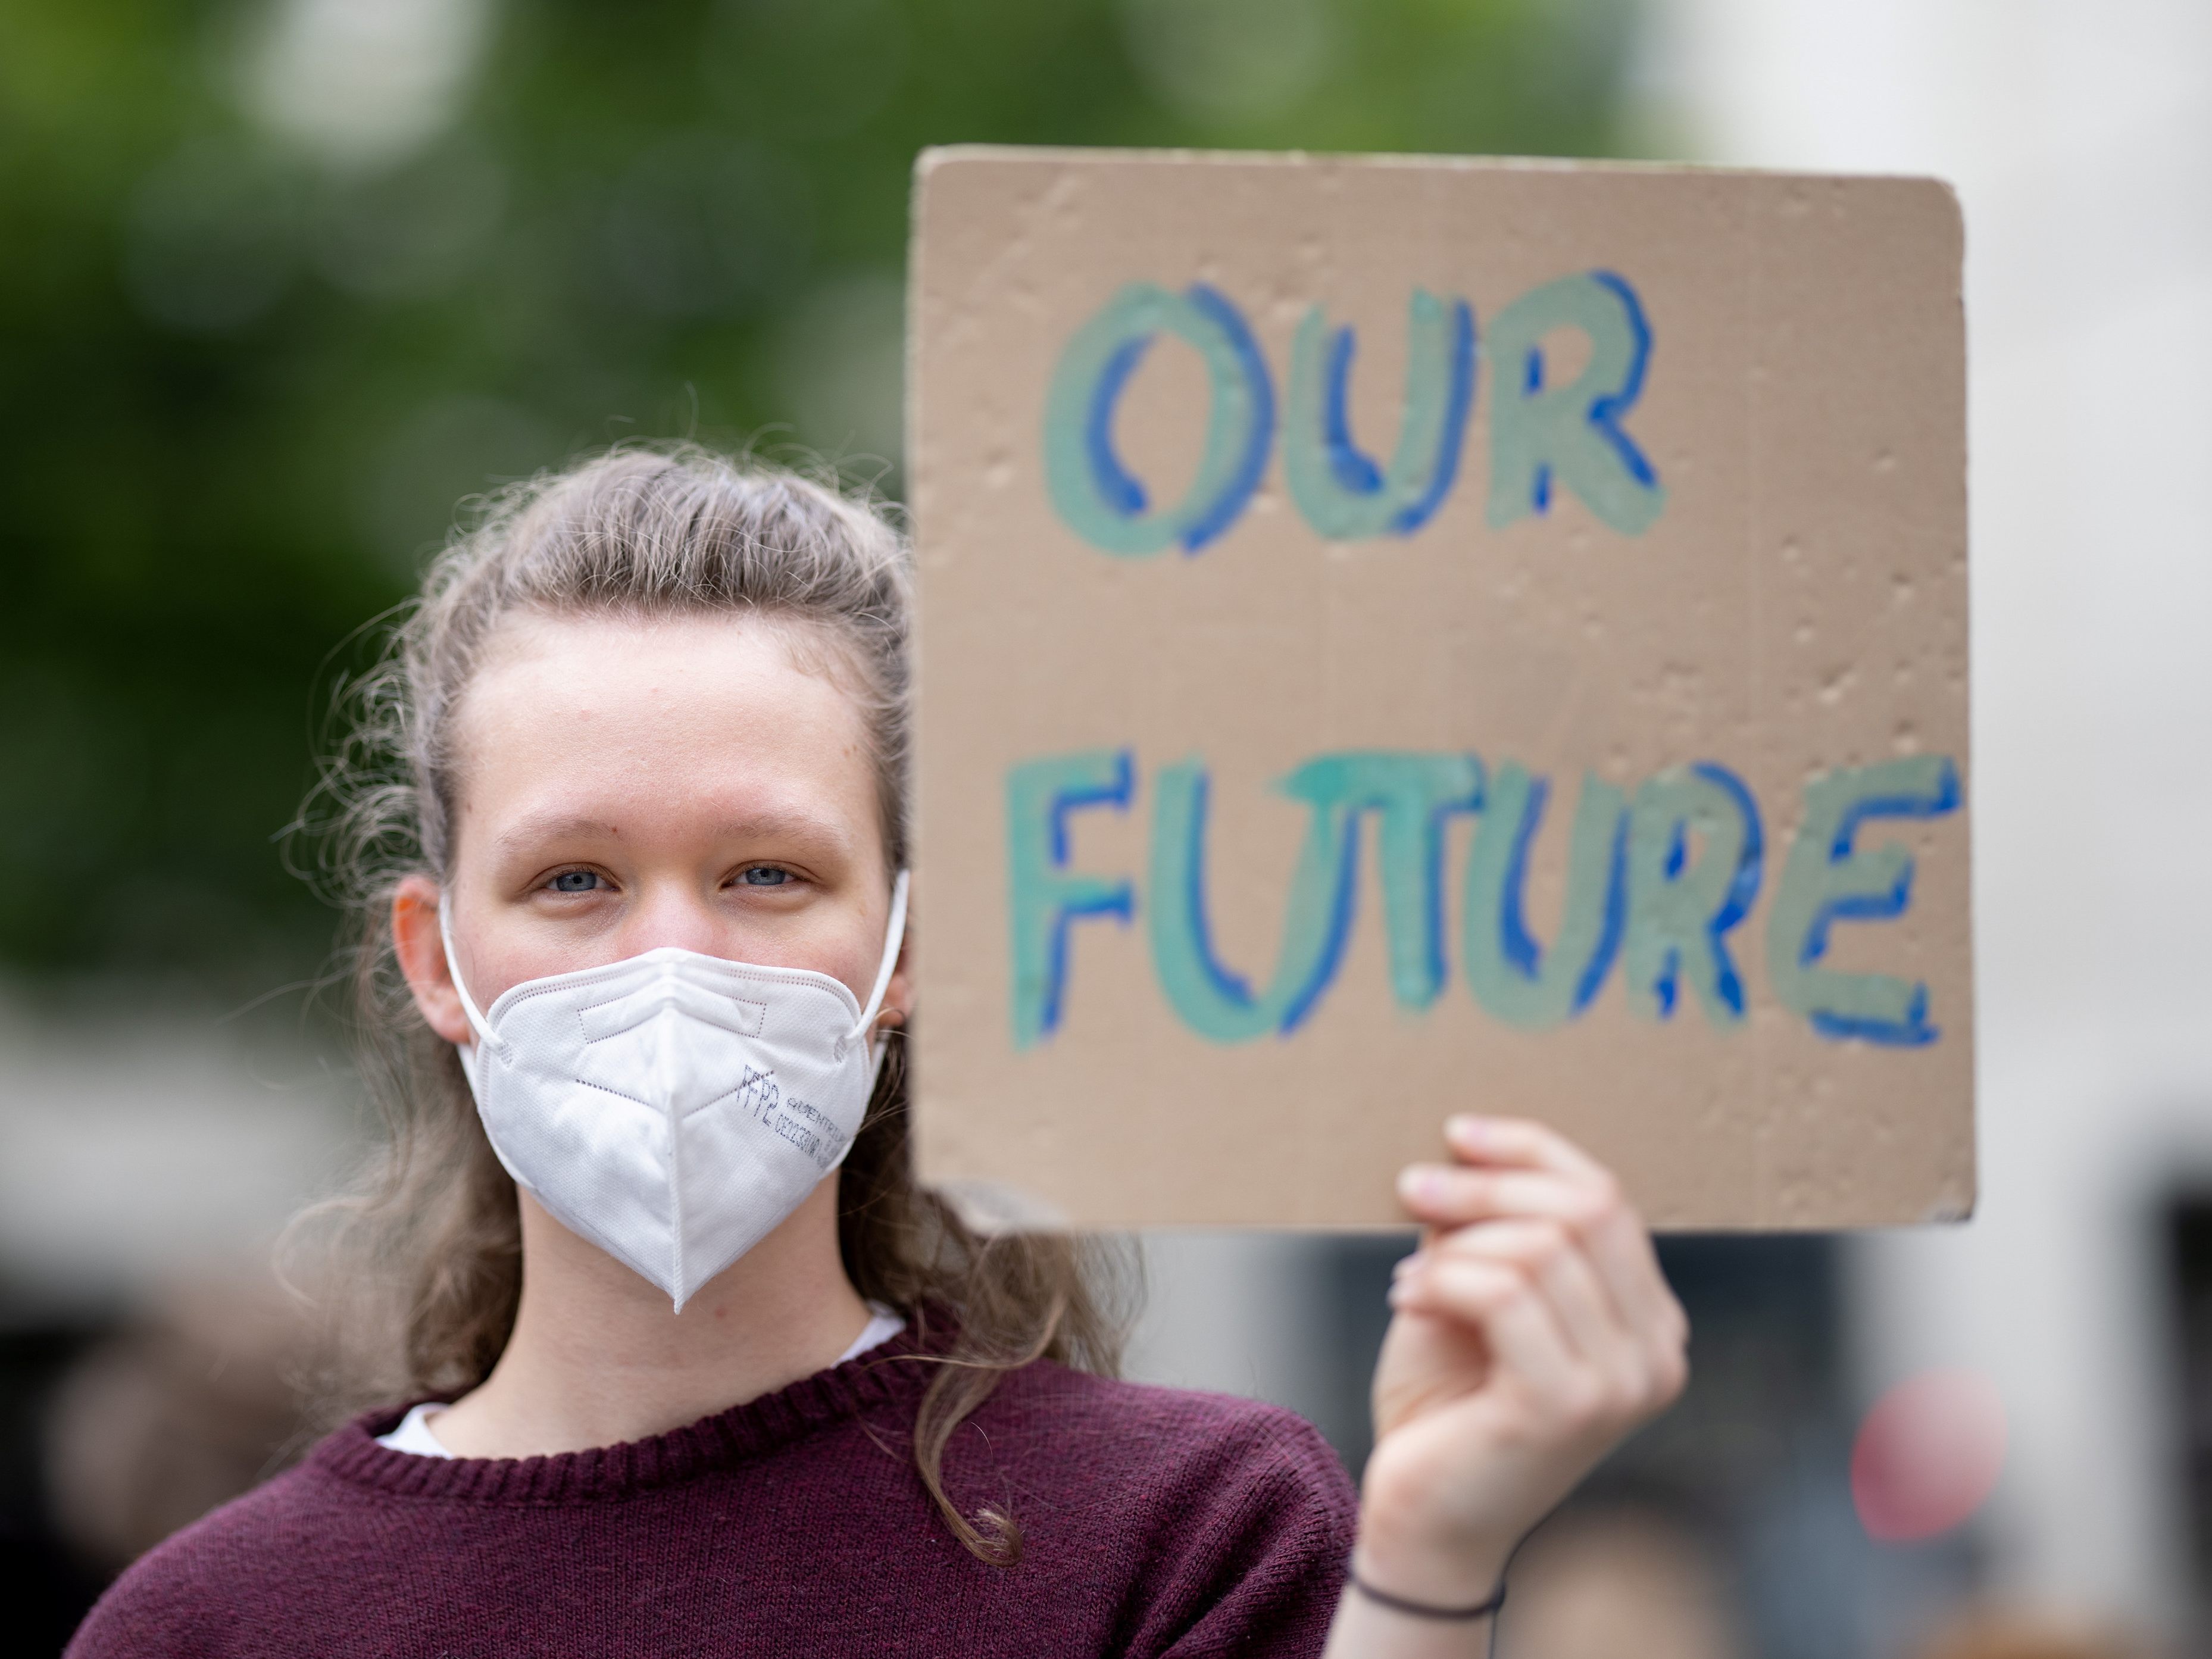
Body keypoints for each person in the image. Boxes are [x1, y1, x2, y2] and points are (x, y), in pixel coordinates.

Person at [66, 447, 1688, 1657]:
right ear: (438, 959)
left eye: (766, 871)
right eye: (574, 880)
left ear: (906, 944)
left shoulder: (1188, 1533)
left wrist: (1423, 1561)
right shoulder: (205, 1630)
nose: (672, 959)